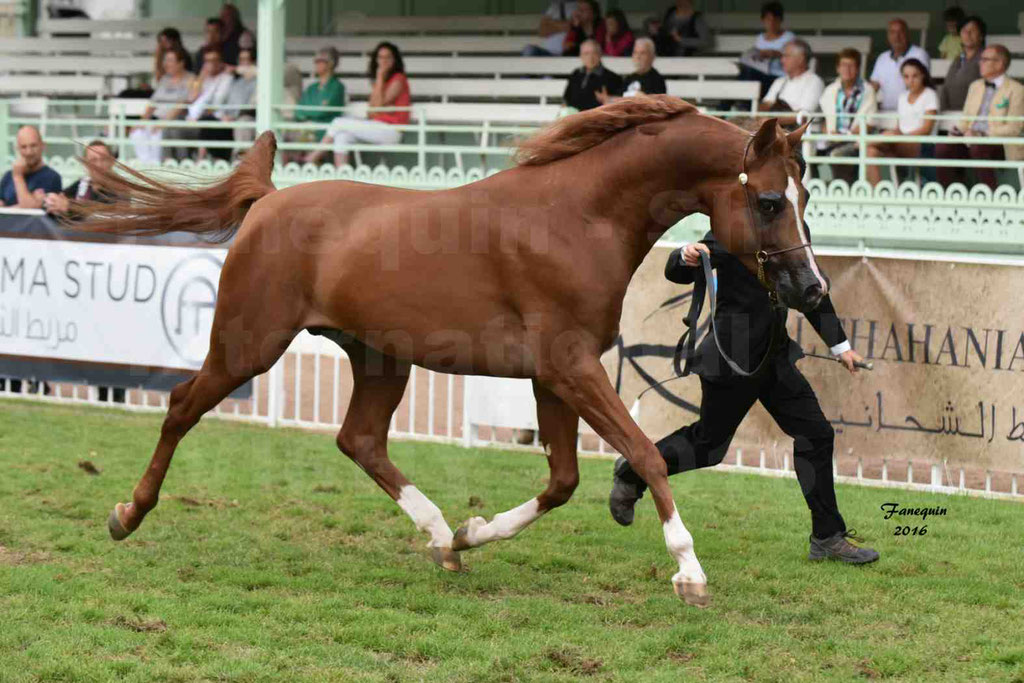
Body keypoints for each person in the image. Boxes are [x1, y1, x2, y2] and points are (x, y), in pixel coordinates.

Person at [608, 232, 880, 565]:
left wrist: (841, 347)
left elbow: (812, 292)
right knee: (708, 447)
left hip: (775, 359)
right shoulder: (733, 225)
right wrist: (685, 254)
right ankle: (633, 473)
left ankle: (827, 537)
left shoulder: (793, 230)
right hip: (730, 359)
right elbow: (676, 270)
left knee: (816, 435)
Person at [936, 45, 1024, 189]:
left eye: (985, 59)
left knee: (979, 147)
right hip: (971, 138)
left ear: (1000, 63)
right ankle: (954, 193)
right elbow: (966, 120)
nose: (979, 63)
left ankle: (990, 194)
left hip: (999, 143)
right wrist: (957, 130)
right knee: (943, 147)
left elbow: (1015, 128)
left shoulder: (1017, 90)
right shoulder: (975, 86)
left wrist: (983, 133)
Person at [321, 42, 411, 168]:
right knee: (342, 136)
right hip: (377, 127)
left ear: (394, 60)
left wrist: (379, 76)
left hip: (391, 130)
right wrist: (379, 82)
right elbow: (371, 111)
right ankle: (341, 178)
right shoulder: (380, 82)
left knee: (338, 122)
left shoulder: (398, 79)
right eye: (380, 57)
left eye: (388, 57)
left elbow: (377, 107)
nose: (383, 61)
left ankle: (313, 157)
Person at [866, 59, 937, 186]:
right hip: (900, 142)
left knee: (886, 137)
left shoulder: (930, 95)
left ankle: (861, 142)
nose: (911, 80)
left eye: (915, 76)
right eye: (906, 76)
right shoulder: (902, 97)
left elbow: (926, 129)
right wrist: (896, 135)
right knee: (870, 151)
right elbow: (900, 126)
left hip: (922, 144)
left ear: (923, 76)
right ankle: (876, 195)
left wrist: (900, 137)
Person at [819, 48, 878, 183]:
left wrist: (845, 136)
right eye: (844, 65)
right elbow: (825, 120)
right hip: (831, 139)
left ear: (857, 69)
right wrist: (829, 133)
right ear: (838, 68)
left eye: (851, 65)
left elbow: (869, 123)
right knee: (804, 152)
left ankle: (843, 190)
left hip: (855, 141)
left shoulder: (867, 91)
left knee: (838, 154)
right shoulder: (830, 90)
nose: (847, 69)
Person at [165, 47, 234, 161]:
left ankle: (184, 162)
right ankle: (168, 161)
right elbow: (191, 98)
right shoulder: (204, 79)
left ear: (221, 62)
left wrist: (197, 117)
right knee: (168, 129)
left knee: (177, 131)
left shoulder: (226, 78)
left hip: (211, 121)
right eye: (207, 61)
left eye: (213, 60)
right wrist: (201, 78)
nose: (210, 64)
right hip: (194, 120)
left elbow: (216, 102)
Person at [129, 47, 194, 163]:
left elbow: (182, 104)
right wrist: (142, 121)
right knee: (137, 133)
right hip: (158, 120)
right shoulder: (165, 79)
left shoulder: (190, 79)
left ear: (181, 63)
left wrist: (163, 124)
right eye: (165, 60)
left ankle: (156, 165)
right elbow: (153, 103)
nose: (166, 64)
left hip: (176, 120)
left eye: (170, 60)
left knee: (157, 134)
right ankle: (145, 164)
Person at [869, 18, 930, 115]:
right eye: (892, 32)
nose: (896, 36)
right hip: (886, 113)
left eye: (900, 32)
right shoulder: (882, 58)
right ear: (888, 36)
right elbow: (872, 88)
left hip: (911, 113)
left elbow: (922, 84)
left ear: (908, 34)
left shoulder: (919, 54)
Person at [297, 47, 346, 164]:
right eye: (316, 61)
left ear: (331, 64)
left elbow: (324, 111)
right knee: (283, 137)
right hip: (306, 128)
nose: (316, 64)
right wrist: (315, 111)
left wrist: (309, 112)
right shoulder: (311, 88)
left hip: (324, 131)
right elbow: (298, 111)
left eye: (320, 61)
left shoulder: (337, 86)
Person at [43, 139, 116, 218]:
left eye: (104, 159)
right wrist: (53, 202)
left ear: (112, 161)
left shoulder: (120, 189)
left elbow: (102, 216)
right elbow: (62, 197)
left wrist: (69, 207)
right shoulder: (83, 184)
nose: (99, 165)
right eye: (93, 160)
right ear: (85, 164)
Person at [760, 40, 824, 128]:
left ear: (800, 59)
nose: (782, 60)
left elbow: (802, 116)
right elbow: (764, 105)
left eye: (786, 56)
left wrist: (769, 119)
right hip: (778, 134)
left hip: (803, 137)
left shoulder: (814, 81)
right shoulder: (779, 81)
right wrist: (765, 116)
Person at [738, 2, 796, 97]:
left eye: (775, 20)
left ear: (780, 20)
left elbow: (795, 58)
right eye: (768, 19)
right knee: (745, 72)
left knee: (748, 75)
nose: (772, 23)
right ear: (763, 20)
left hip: (779, 76)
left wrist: (777, 54)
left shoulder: (789, 37)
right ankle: (732, 106)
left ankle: (743, 107)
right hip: (759, 74)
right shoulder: (760, 38)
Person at [0, 126, 62, 208]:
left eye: (33, 146)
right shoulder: (8, 176)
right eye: (23, 147)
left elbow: (29, 213)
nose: (29, 152)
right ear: (17, 149)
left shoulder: (52, 177)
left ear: (42, 146)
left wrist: (18, 177)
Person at [215, 47, 259, 159]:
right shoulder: (235, 82)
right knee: (208, 124)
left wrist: (234, 117)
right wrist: (224, 115)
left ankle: (240, 161)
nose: (243, 63)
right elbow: (223, 102)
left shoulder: (259, 81)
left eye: (246, 59)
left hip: (247, 118)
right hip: (228, 119)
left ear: (253, 62)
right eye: (241, 60)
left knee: (243, 122)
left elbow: (251, 107)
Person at [939, 15, 985, 113]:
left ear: (981, 36)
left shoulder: (985, 59)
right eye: (964, 30)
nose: (968, 34)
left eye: (972, 30)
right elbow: (946, 87)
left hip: (973, 116)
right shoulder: (958, 59)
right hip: (950, 115)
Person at [562, 39, 623, 112]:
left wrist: (609, 99)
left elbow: (618, 104)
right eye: (586, 53)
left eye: (594, 53)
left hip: (597, 119)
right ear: (581, 56)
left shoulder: (613, 78)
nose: (590, 57)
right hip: (573, 117)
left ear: (600, 54)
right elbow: (566, 99)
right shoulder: (576, 74)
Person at [599, 37, 665, 102]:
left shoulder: (657, 80)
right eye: (635, 52)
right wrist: (608, 99)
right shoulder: (630, 78)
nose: (638, 57)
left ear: (652, 57)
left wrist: (642, 97)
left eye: (642, 53)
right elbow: (620, 97)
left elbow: (657, 105)